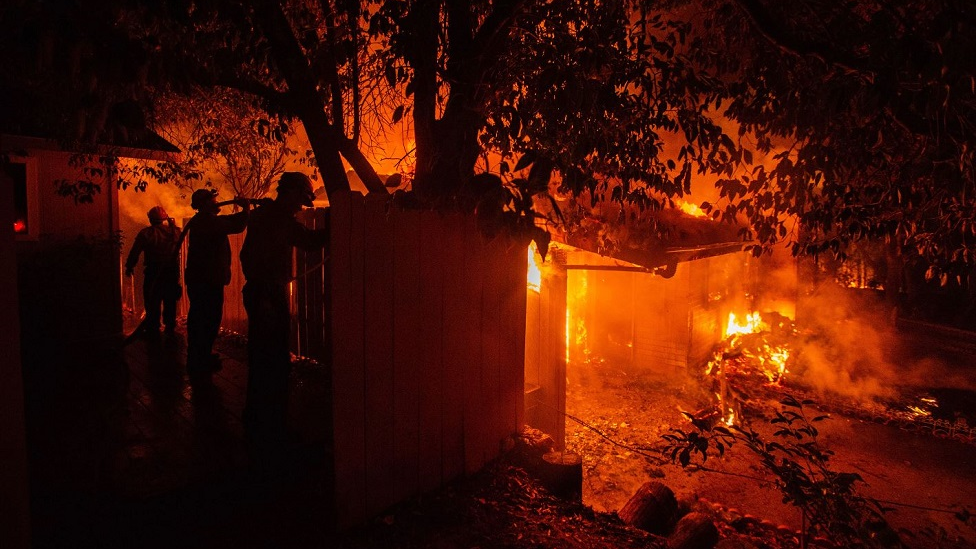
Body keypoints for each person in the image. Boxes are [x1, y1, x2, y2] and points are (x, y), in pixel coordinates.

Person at [239, 172, 327, 450]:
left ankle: (257, 419)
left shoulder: (266, 216)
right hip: (267, 294)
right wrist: (340, 225)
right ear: (289, 192)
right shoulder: (277, 219)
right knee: (274, 363)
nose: (302, 206)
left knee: (263, 360)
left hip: (260, 291)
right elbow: (310, 243)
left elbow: (246, 256)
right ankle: (272, 430)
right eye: (300, 198)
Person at [184, 189, 251, 377]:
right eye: (213, 199)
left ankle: (200, 355)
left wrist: (243, 211)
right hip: (207, 280)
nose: (216, 201)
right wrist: (245, 210)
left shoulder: (204, 220)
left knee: (200, 317)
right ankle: (200, 359)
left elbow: (229, 220)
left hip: (202, 279)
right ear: (205, 203)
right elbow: (236, 226)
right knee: (208, 318)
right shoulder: (207, 221)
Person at [125, 206, 182, 336]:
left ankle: (153, 328)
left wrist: (129, 266)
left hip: (153, 271)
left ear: (150, 219)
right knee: (170, 300)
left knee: (152, 301)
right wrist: (172, 225)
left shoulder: (146, 233)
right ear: (165, 218)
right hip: (170, 272)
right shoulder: (174, 232)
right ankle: (169, 327)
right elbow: (179, 237)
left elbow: (135, 252)